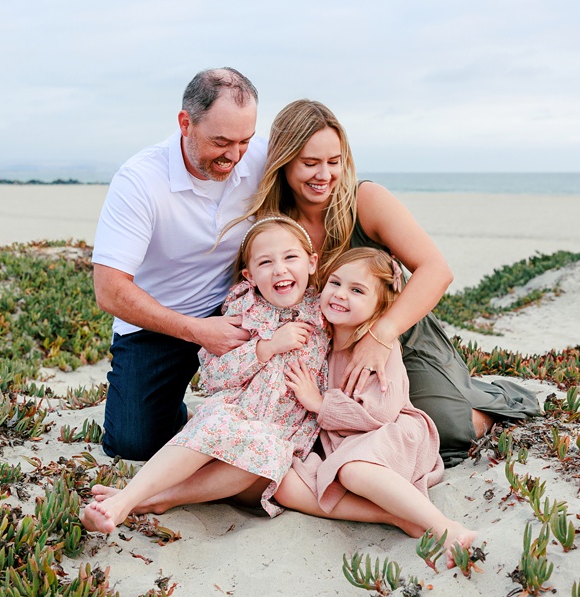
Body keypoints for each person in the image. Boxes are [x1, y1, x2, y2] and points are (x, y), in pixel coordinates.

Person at [235, 99, 540, 467]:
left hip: (399, 337)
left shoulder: (366, 200)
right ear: (284, 161)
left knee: (445, 433)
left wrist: (380, 337)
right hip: (323, 353)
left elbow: (435, 269)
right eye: (310, 163)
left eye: (334, 162)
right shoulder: (271, 223)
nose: (324, 175)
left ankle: (490, 401)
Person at [81, 216, 329, 533]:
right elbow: (214, 376)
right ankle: (126, 500)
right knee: (215, 423)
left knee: (265, 453)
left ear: (312, 263)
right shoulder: (245, 312)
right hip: (237, 413)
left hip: (282, 436)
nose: (280, 269)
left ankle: (161, 498)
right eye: (266, 262)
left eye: (290, 257)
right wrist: (265, 348)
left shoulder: (325, 312)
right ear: (249, 276)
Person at [92, 67, 267, 461]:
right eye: (220, 142)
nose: (235, 156)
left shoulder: (258, 156)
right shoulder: (139, 180)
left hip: (239, 308)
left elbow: (320, 182)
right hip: (162, 321)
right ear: (185, 123)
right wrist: (198, 331)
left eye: (245, 140)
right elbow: (109, 289)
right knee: (132, 443)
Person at [280, 247, 476, 560]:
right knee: (282, 483)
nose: (340, 294)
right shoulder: (324, 340)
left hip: (395, 435)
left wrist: (320, 404)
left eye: (357, 290)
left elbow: (381, 413)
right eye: (335, 283)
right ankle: (392, 515)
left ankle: (443, 526)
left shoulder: (378, 349)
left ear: (380, 305)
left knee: (352, 472)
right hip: (345, 443)